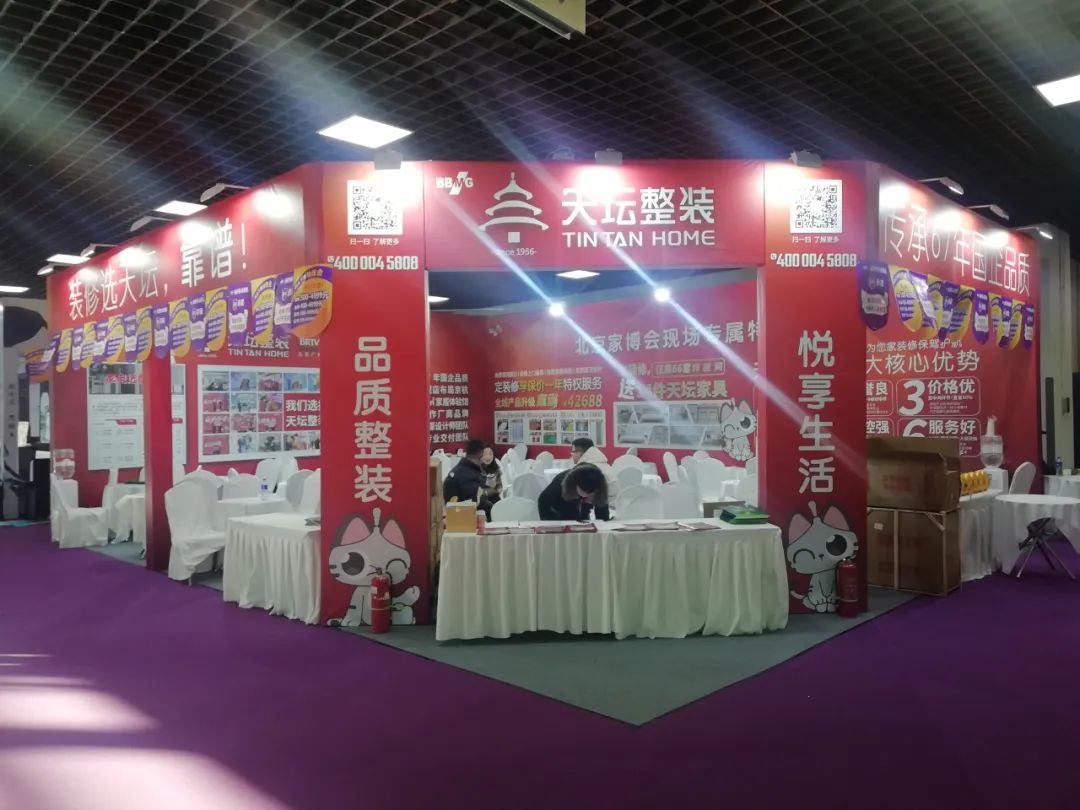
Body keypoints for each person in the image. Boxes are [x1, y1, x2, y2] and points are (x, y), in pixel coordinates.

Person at [538, 463, 610, 522]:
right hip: (560, 512)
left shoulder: (599, 484)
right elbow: (543, 501)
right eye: (584, 491)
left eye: (590, 493)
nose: (586, 495)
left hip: (582, 512)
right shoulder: (560, 483)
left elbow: (602, 512)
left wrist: (603, 526)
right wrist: (552, 522)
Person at [443, 438, 494, 518]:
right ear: (480, 454)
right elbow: (475, 500)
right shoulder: (466, 475)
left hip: (463, 512)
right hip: (462, 516)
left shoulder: (467, 468)